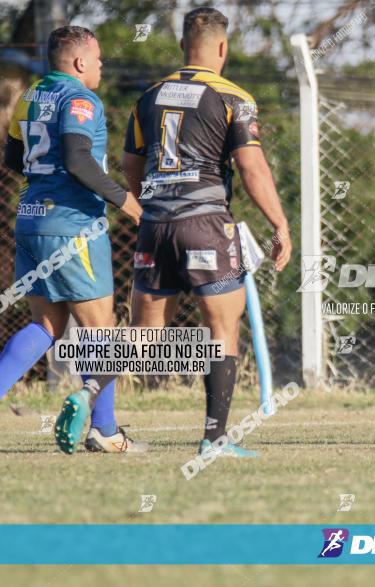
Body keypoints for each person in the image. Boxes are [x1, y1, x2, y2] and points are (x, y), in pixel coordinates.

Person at [121, 7, 291, 458]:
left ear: (181, 47)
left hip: (155, 224)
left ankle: (85, 398)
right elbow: (251, 168)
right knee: (221, 327)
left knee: (144, 334)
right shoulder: (233, 96)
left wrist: (153, 206)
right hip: (206, 224)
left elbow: (130, 165)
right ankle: (214, 439)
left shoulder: (149, 96)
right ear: (223, 48)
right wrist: (280, 223)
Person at [0, 25, 146, 454]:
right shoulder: (81, 99)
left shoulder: (29, 97)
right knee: (101, 332)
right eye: (97, 59)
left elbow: (12, 157)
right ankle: (104, 431)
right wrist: (128, 203)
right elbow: (79, 159)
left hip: (30, 222)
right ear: (80, 62)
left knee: (46, 326)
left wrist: (45, 185)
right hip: (72, 226)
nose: (101, 66)